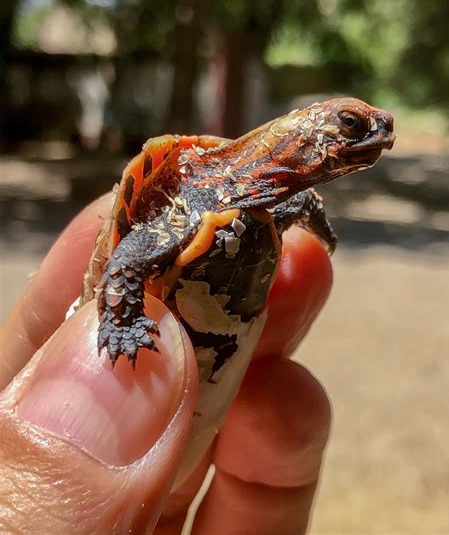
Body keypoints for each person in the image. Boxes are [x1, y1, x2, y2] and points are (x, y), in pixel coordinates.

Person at [0, 193, 332, 533]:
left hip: (212, 361)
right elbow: (129, 256)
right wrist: (121, 323)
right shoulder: (184, 207)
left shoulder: (258, 201)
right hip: (158, 334)